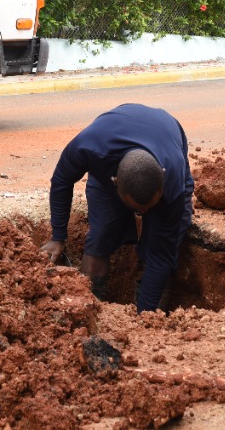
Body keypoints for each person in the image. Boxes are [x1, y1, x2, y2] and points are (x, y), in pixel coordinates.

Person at [41, 104, 194, 312]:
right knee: (100, 237)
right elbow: (61, 181)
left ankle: (150, 316)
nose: (143, 214)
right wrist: (57, 237)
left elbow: (161, 258)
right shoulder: (89, 147)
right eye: (137, 209)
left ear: (163, 175)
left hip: (167, 140)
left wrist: (144, 323)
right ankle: (89, 310)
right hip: (111, 156)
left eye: (149, 208)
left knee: (159, 249)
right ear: (115, 183)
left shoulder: (172, 178)